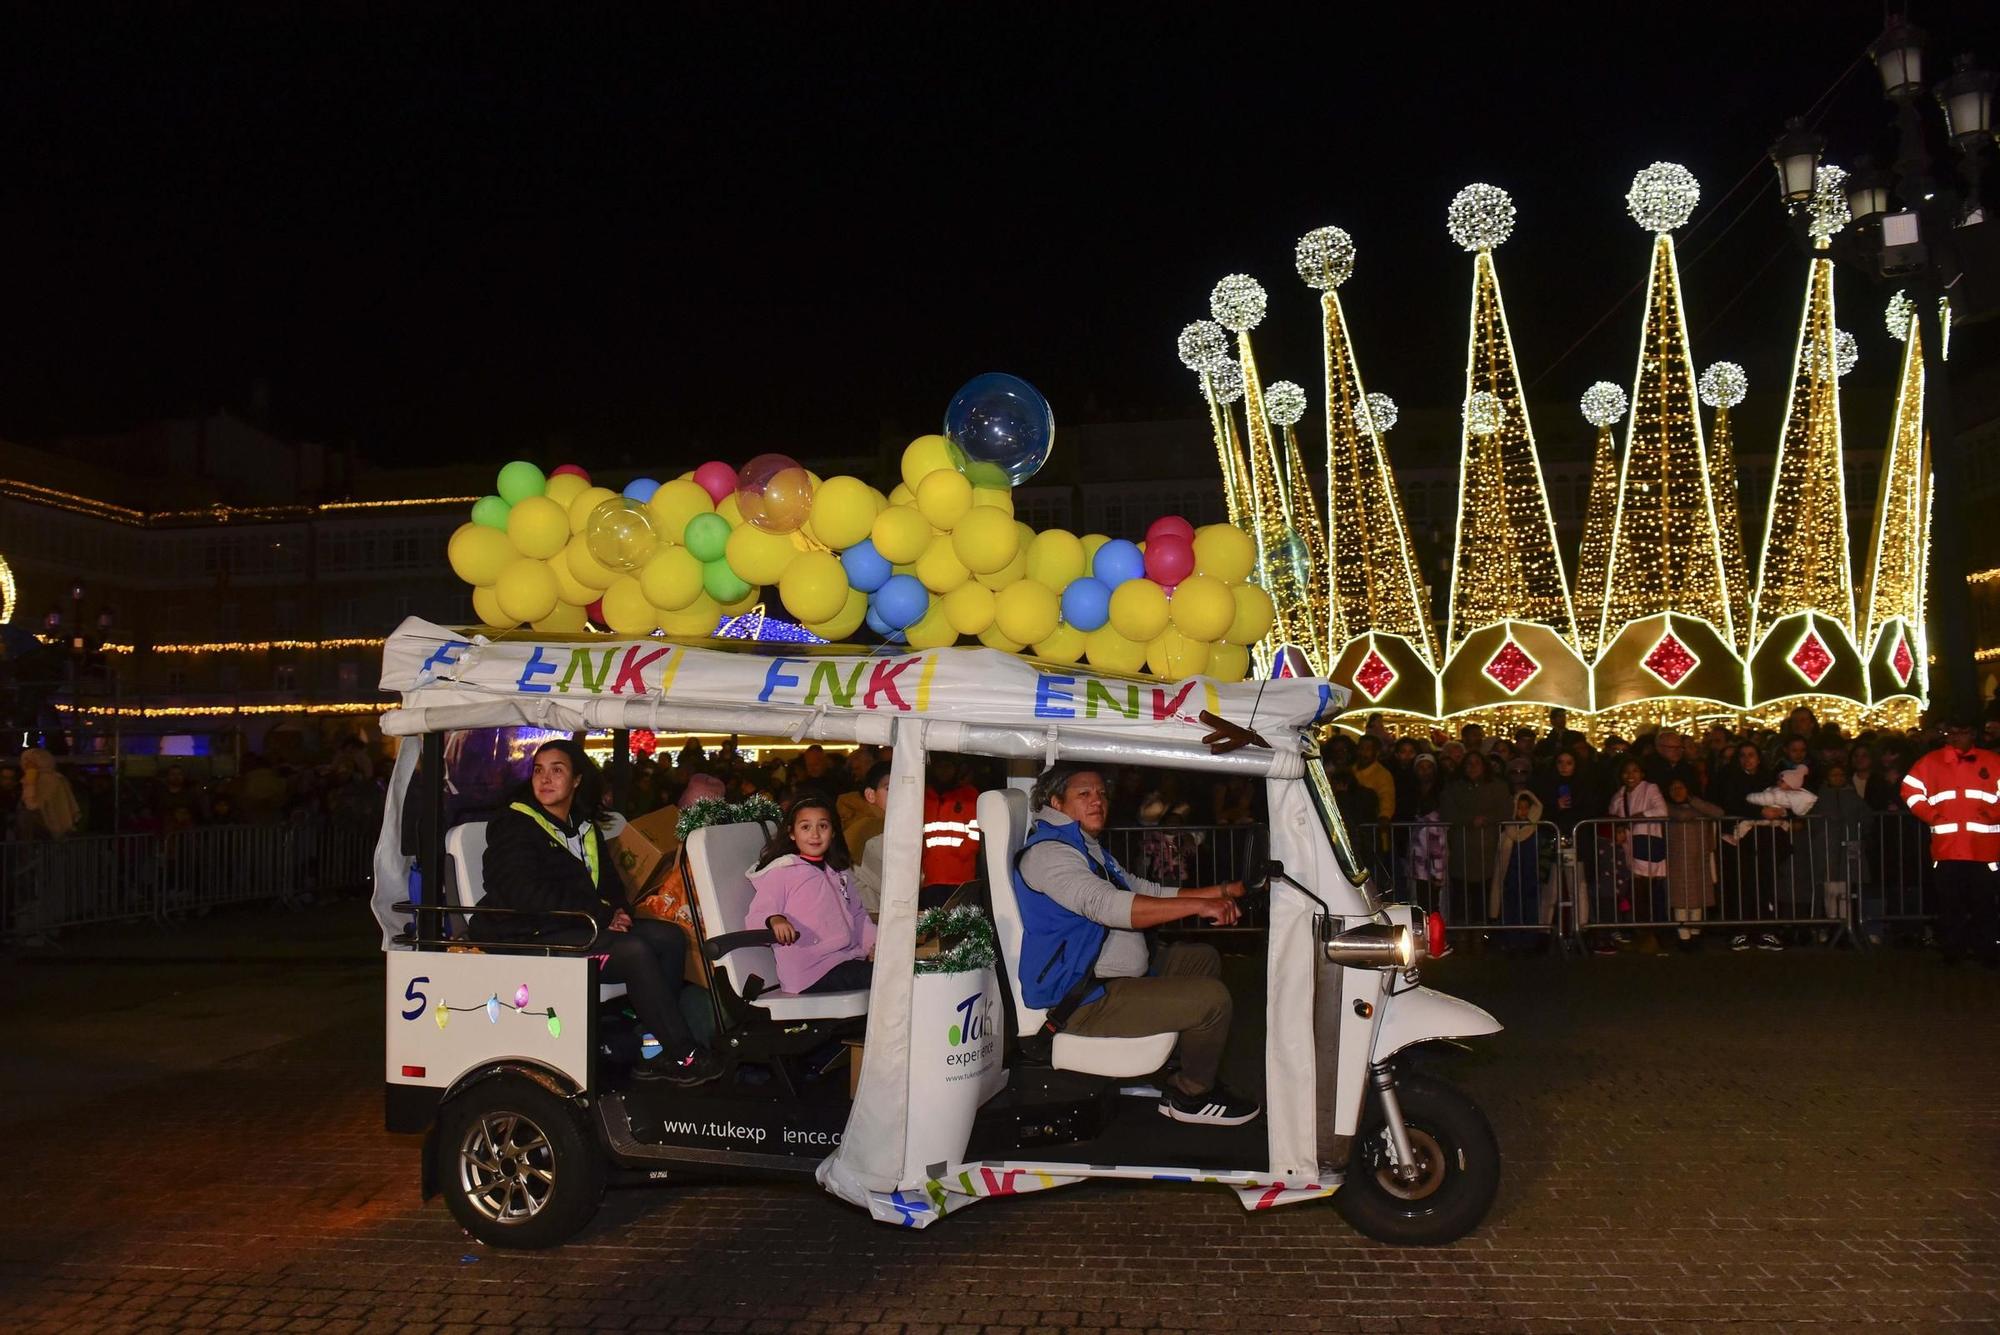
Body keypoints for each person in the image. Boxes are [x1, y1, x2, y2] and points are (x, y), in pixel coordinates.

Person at [1012, 765, 1257, 1127]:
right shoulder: (1050, 854)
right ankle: (1192, 1094)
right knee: (1213, 1000)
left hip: (1109, 976)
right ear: (1055, 802)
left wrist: (1222, 892)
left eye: (1101, 794)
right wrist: (1200, 906)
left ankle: (1173, 1068)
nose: (1098, 801)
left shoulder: (1085, 847)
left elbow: (1144, 890)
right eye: (1084, 794)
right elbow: (1108, 906)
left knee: (1199, 959)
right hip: (1082, 998)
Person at [480, 739, 720, 1086]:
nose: (545, 779)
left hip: (575, 926)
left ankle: (651, 1046)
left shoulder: (582, 826)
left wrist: (618, 910)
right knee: (634, 951)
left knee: (667, 937)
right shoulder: (515, 825)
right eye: (538, 770)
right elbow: (525, 894)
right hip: (529, 933)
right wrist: (600, 914)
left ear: (577, 780)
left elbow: (608, 883)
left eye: (557, 770)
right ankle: (683, 1053)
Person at [745, 796, 876, 993]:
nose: (814, 834)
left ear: (832, 832)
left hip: (845, 960)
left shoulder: (838, 872)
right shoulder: (783, 872)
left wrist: (875, 944)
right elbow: (756, 916)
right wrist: (775, 919)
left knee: (898, 970)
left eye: (822, 826)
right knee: (884, 977)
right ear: (792, 833)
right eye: (805, 827)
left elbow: (858, 916)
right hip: (811, 972)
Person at [1902, 719, 2000, 964]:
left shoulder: (1993, 761)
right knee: (1950, 904)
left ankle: (1986, 950)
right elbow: (1910, 792)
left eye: (1962, 731)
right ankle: (1953, 951)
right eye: (1951, 732)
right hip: (1948, 848)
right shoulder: (1930, 762)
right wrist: (1931, 815)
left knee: (1984, 903)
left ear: (1973, 734)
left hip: (1983, 849)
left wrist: (1993, 813)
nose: (1956, 737)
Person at [1601, 759, 1668, 952]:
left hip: (1647, 842)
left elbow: (1661, 810)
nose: (1631, 775)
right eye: (1626, 771)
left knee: (1647, 891)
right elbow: (1612, 815)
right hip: (1629, 845)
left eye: (1635, 771)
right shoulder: (1620, 795)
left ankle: (1652, 934)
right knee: (1637, 892)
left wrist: (1639, 816)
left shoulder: (1650, 789)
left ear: (1642, 773)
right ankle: (1643, 933)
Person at [1439, 750, 1510, 929]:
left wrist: (1487, 819)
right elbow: (1447, 811)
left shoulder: (1497, 787)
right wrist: (1470, 820)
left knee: (1484, 891)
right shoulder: (1454, 787)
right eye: (1468, 764)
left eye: (1476, 763)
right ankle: (1462, 930)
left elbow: (1505, 810)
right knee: (1461, 893)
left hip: (1488, 846)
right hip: (1461, 847)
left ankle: (1481, 930)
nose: (1472, 767)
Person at [1663, 777, 1722, 950]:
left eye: (1681, 787)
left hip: (1699, 858)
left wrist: (1694, 802)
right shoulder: (1668, 807)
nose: (1677, 791)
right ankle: (1684, 936)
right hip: (1677, 859)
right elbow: (1681, 816)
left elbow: (1719, 812)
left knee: (1698, 898)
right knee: (1681, 900)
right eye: (1673, 788)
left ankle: (1695, 934)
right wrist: (1698, 811)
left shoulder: (1698, 804)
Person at [1488, 788, 1544, 951]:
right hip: (1512, 878)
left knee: (1530, 908)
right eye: (1519, 807)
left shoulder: (1535, 830)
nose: (1523, 811)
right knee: (1511, 907)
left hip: (1530, 877)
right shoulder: (1507, 833)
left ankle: (1529, 941)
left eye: (1526, 807)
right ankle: (1512, 940)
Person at [920, 757, 982, 904]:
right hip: (931, 877)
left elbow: (975, 831)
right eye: (939, 766)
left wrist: (963, 853)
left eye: (948, 765)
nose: (943, 771)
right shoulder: (923, 796)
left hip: (961, 876)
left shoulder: (969, 795)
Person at [848, 762, 892, 914]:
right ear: (870, 795)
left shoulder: (863, 822)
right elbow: (895, 886)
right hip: (869, 915)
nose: (899, 794)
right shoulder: (871, 830)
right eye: (889, 788)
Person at [15, 749, 79, 841]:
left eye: (29, 760)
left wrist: (31, 779)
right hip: (48, 833)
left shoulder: (45, 780)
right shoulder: (58, 779)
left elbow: (32, 805)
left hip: (42, 834)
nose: (26, 764)